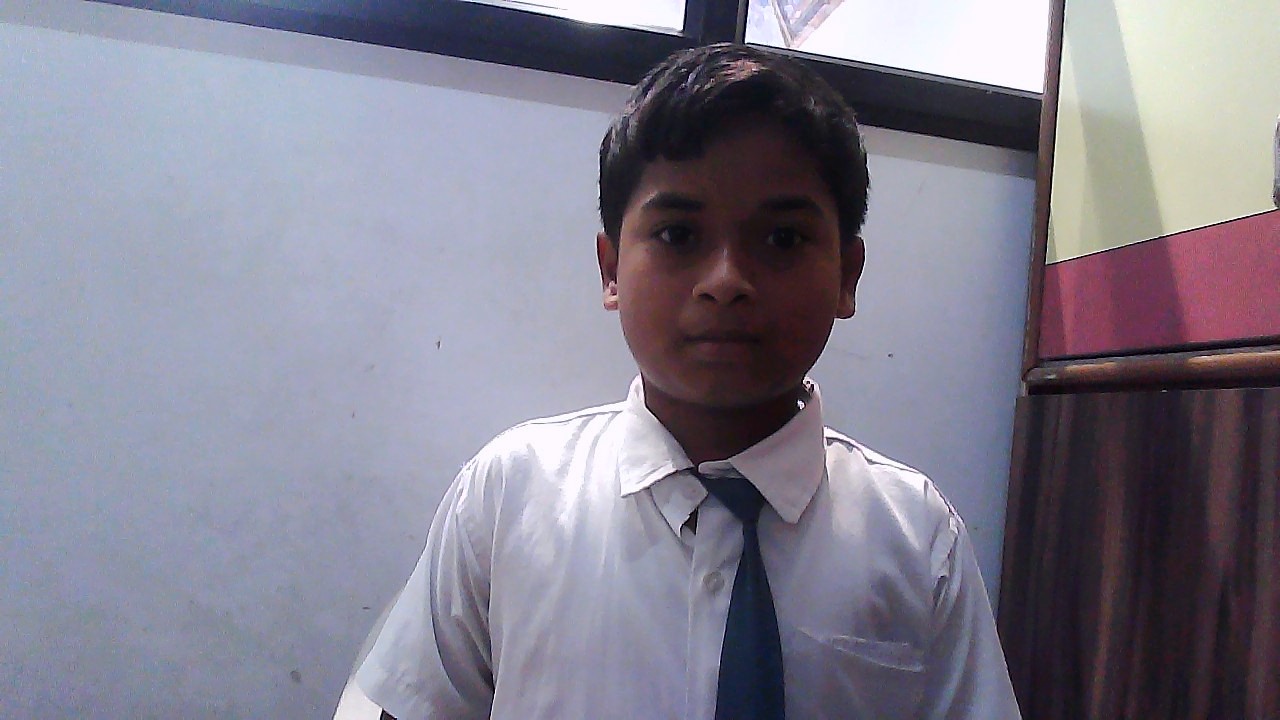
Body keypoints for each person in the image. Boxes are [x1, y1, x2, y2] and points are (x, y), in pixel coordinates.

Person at [348, 43, 1021, 720]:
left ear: (848, 275)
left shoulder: (917, 537)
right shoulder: (506, 497)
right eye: (677, 235)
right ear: (611, 269)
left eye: (783, 239)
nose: (726, 280)